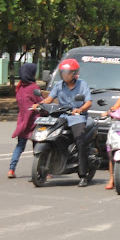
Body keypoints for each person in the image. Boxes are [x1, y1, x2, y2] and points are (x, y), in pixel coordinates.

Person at [33, 59, 93, 187]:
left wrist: (80, 109)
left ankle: (83, 175)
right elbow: (49, 98)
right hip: (61, 116)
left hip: (77, 117)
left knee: (80, 140)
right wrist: (39, 105)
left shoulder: (82, 85)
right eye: (63, 72)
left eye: (68, 72)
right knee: (44, 134)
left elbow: (88, 102)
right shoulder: (58, 85)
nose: (65, 75)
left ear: (75, 73)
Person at [8, 63, 42, 179]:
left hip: (22, 122)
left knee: (19, 146)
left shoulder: (19, 88)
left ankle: (11, 169)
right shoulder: (34, 88)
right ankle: (42, 171)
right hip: (34, 122)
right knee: (38, 147)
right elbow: (41, 103)